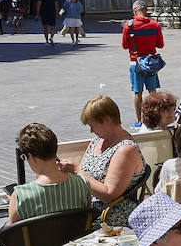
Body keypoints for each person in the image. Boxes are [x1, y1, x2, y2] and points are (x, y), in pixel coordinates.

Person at [62, 95, 147, 229]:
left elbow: (109, 195)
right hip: (88, 208)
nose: (91, 131)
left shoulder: (125, 150)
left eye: (92, 125)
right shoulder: (97, 141)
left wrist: (76, 171)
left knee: (54, 224)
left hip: (107, 215)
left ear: (107, 120)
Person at [122, 0, 165, 130]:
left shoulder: (128, 26)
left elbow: (124, 46)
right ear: (146, 10)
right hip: (151, 64)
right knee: (153, 93)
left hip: (136, 63)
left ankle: (138, 121)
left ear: (134, 10)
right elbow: (160, 45)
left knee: (137, 92)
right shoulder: (155, 25)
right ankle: (154, 119)